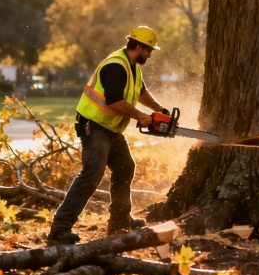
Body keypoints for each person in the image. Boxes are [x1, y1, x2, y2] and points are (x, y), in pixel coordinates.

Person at [48, 26, 170, 244]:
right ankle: (60, 229)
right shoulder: (116, 66)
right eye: (149, 50)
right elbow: (114, 101)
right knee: (92, 173)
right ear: (139, 47)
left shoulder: (132, 67)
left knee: (125, 167)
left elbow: (140, 92)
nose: (150, 55)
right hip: (94, 126)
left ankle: (119, 219)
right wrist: (141, 116)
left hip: (111, 128)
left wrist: (159, 110)